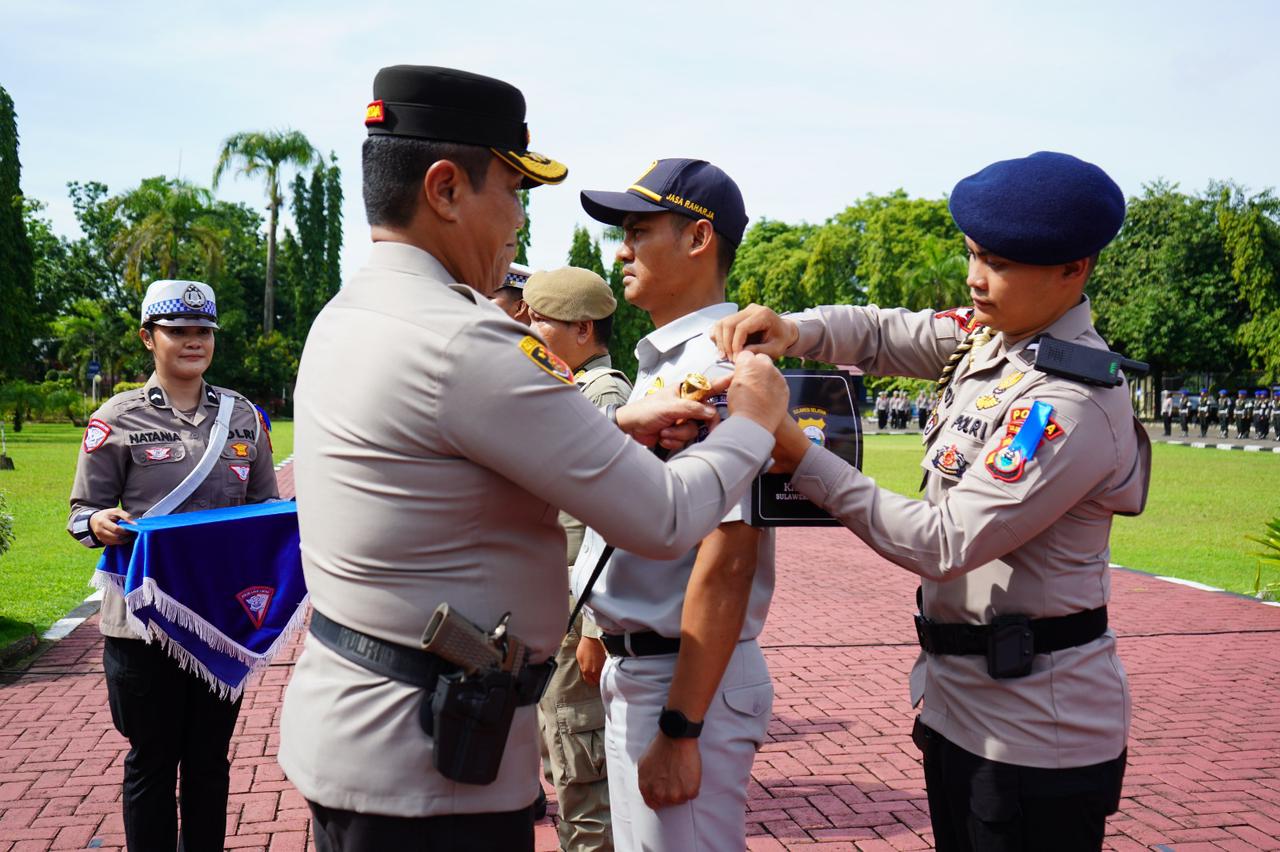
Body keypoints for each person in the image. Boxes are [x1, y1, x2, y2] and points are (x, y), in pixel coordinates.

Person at [277, 67, 789, 852]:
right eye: (513, 189)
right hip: (426, 766)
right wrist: (754, 422)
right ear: (446, 188)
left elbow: (454, 464)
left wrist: (614, 426)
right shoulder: (463, 339)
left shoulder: (355, 311)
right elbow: (664, 517)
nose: (518, 219)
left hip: (374, 727)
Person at [713, 151, 1151, 852]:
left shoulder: (1070, 398)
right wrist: (792, 329)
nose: (976, 278)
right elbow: (886, 332)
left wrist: (796, 451)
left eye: (1001, 263)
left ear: (1076, 269)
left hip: (1036, 734)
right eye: (974, 253)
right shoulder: (996, 335)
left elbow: (942, 543)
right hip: (960, 702)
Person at [569, 157, 776, 851]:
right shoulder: (667, 358)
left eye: (638, 230)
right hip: (646, 666)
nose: (621, 250)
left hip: (683, 679)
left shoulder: (721, 365)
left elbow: (729, 556)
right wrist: (603, 625)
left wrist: (682, 727)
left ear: (698, 239)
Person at [66, 279, 278, 852]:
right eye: (178, 331)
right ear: (147, 337)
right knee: (152, 762)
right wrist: (99, 524)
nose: (193, 342)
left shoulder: (243, 417)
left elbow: (264, 512)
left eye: (202, 332)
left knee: (210, 760)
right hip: (141, 625)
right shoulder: (117, 417)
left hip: (217, 624)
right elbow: (81, 514)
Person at [524, 266, 632, 852]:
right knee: (564, 757)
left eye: (542, 318)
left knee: (582, 770)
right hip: (560, 610)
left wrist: (594, 627)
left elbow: (611, 518)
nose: (532, 328)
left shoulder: (603, 395)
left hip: (580, 617)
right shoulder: (571, 387)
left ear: (583, 328)